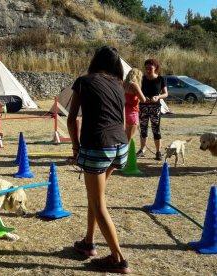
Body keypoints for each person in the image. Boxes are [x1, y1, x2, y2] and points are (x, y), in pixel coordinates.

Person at [67, 46, 131, 274]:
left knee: (97, 202)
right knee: (96, 196)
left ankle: (118, 259)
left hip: (98, 146)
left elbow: (72, 119)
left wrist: (76, 148)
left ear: (95, 60)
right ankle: (88, 242)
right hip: (120, 145)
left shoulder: (83, 81)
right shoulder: (117, 84)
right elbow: (122, 120)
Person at [136, 59, 168, 161]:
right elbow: (137, 92)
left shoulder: (160, 79)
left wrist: (158, 97)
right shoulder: (141, 79)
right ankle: (142, 150)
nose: (148, 69)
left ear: (155, 67)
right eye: (146, 68)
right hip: (143, 107)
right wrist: (143, 98)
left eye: (150, 67)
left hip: (155, 108)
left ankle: (158, 152)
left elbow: (166, 94)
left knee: (156, 130)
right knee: (143, 129)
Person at [124, 68, 146, 141]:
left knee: (122, 138)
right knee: (129, 139)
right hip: (132, 113)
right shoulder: (134, 85)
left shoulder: (123, 83)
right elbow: (143, 99)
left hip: (123, 112)